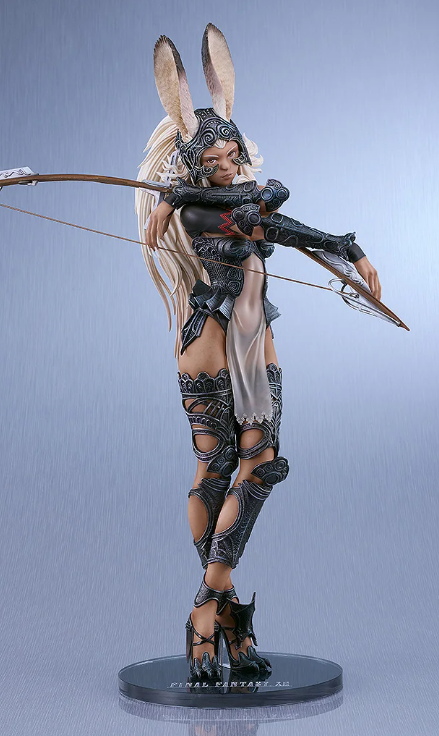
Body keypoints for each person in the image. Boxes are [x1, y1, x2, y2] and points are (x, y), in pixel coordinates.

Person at [135, 24, 381, 681]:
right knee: (221, 469)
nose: (227, 165)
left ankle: (216, 610)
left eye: (232, 154)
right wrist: (177, 195)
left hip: (250, 335)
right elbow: (248, 213)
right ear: (195, 167)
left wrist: (346, 247)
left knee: (253, 466)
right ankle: (211, 613)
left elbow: (269, 211)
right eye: (212, 161)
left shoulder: (223, 195)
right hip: (212, 337)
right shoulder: (198, 209)